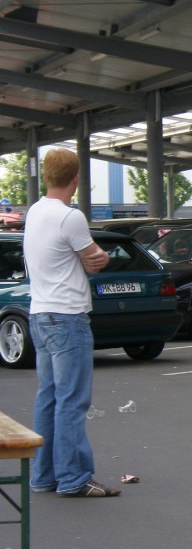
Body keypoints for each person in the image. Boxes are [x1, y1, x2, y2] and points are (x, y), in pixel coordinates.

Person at [24, 148, 119, 497]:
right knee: (72, 400)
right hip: (67, 316)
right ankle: (74, 478)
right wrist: (101, 256)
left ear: (47, 175)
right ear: (76, 179)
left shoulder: (35, 211)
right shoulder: (70, 217)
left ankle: (43, 475)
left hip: (40, 313)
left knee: (48, 397)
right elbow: (95, 259)